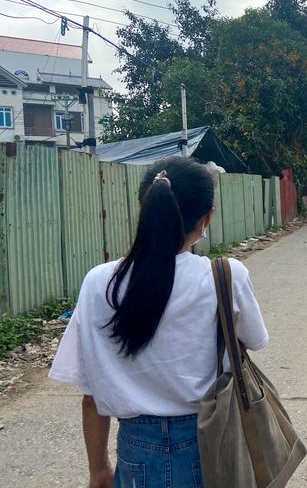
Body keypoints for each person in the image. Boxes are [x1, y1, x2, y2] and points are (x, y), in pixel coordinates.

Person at [49, 157, 269, 488]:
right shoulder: (225, 275)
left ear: (144, 208)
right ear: (206, 218)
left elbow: (91, 395)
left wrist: (98, 469)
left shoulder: (100, 282)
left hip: (136, 450)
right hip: (209, 440)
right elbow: (255, 339)